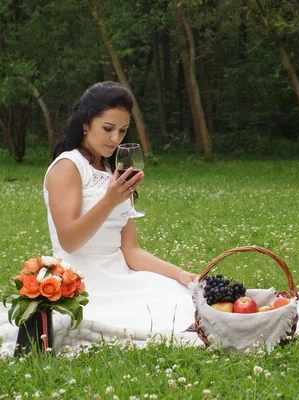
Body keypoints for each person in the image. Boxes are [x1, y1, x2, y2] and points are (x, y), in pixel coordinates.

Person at [1, 81, 199, 355]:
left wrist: (180, 274)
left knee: (184, 300)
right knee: (150, 323)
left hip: (120, 274)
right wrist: (110, 200)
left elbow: (131, 250)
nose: (115, 138)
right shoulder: (69, 166)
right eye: (108, 128)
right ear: (86, 123)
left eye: (122, 130)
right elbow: (69, 240)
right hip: (83, 282)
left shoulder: (111, 169)